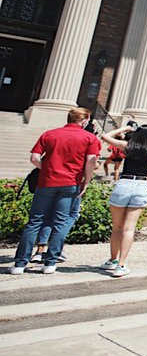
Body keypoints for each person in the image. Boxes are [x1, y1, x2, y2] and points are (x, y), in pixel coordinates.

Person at [11, 107, 100, 275]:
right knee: (60, 222)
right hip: (71, 182)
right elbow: (91, 161)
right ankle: (50, 263)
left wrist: (47, 169)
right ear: (84, 120)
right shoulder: (89, 138)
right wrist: (86, 181)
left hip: (46, 182)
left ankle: (19, 264)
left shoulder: (50, 134)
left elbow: (34, 158)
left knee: (34, 222)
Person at [98, 123, 147, 277]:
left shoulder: (128, 146)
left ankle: (112, 260)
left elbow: (105, 136)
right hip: (140, 184)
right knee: (129, 229)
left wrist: (124, 129)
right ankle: (121, 265)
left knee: (117, 228)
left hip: (124, 183)